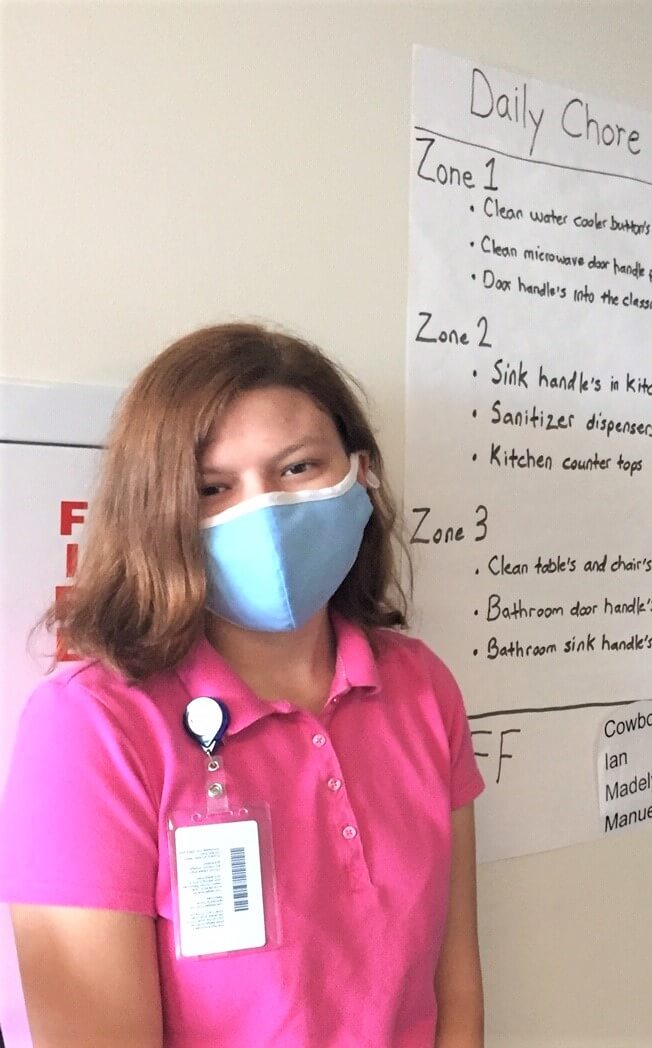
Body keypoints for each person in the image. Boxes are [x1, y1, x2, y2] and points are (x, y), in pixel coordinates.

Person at [0, 324, 485, 1046]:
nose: (261, 512)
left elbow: (456, 986)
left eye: (297, 468)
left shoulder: (420, 686)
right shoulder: (91, 729)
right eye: (211, 488)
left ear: (359, 474)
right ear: (158, 514)